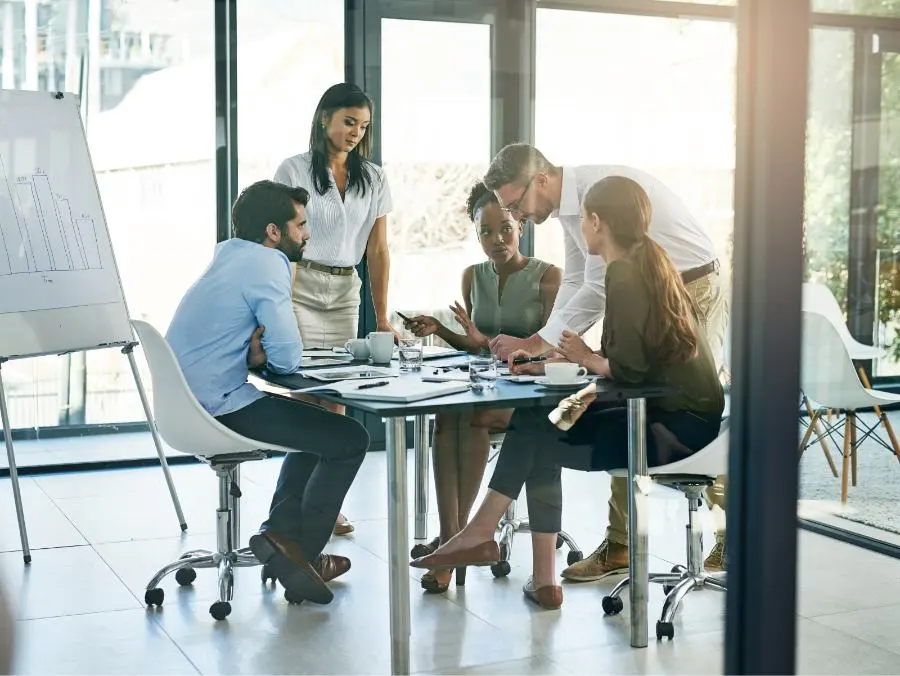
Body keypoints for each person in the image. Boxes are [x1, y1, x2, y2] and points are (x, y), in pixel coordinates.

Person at [411, 176, 725, 609]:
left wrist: (589, 360)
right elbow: (635, 357)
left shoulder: (628, 274)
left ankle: (482, 536)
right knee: (539, 425)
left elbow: (630, 369)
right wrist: (558, 361)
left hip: (672, 429)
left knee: (539, 432)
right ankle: (513, 559)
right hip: (677, 415)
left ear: (596, 222)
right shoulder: (644, 264)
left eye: (583, 224)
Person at [482, 143, 729, 579]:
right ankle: (620, 545)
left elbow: (595, 289)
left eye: (516, 205)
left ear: (541, 179)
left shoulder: (597, 197)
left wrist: (544, 343)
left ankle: (733, 534)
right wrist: (544, 345)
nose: (515, 217)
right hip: (653, 289)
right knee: (626, 405)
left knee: (670, 405)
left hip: (693, 288)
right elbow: (579, 280)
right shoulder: (571, 210)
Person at [166, 180, 370, 605]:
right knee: (349, 439)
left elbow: (251, 347)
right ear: (274, 232)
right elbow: (289, 355)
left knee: (318, 433)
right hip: (218, 409)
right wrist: (266, 356)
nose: (307, 234)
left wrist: (255, 357)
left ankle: (282, 537)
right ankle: (301, 555)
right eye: (301, 225)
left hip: (185, 407)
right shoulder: (267, 263)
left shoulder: (228, 257)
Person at [402, 182, 561, 593]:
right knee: (447, 413)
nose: (497, 240)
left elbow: (556, 349)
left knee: (467, 416)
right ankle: (454, 538)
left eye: (505, 229)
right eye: (486, 233)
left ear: (520, 225)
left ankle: (453, 547)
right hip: (487, 386)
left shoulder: (548, 278)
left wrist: (502, 348)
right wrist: (441, 330)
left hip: (528, 394)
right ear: (476, 236)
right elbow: (478, 345)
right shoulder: (472, 276)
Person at [274, 82, 393, 536]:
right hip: (301, 286)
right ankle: (298, 509)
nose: (355, 133)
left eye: (363, 126)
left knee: (336, 402)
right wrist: (278, 309)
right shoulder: (294, 169)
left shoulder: (375, 177)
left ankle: (325, 505)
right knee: (307, 402)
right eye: (348, 122)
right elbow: (280, 245)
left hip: (346, 292)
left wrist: (382, 318)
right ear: (324, 117)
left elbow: (378, 251)